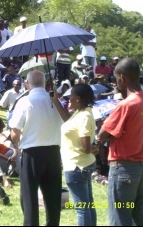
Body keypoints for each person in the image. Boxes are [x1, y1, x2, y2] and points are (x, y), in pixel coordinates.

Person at [97, 58, 143, 226]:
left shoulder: (126, 105)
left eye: (116, 78)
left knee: (120, 218)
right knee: (139, 217)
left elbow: (102, 134)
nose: (115, 81)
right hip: (142, 168)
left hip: (123, 168)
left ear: (122, 77)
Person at [9, 70, 63, 226]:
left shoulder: (25, 101)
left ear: (27, 83)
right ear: (45, 83)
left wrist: (17, 144)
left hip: (32, 153)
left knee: (29, 198)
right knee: (53, 197)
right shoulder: (55, 100)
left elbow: (15, 132)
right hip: (53, 152)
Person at [52, 84, 98, 226]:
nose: (68, 98)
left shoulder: (84, 116)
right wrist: (56, 101)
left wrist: (92, 148)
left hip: (76, 167)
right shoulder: (81, 112)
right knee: (88, 204)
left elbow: (85, 146)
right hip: (82, 164)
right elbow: (69, 121)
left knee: (82, 208)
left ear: (78, 98)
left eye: (70, 95)